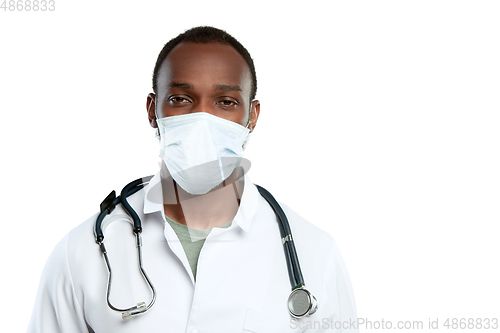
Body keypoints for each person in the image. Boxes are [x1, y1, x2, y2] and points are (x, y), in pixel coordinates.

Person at [28, 26, 359, 332]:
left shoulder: (315, 252)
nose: (203, 119)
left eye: (225, 102)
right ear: (152, 110)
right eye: (180, 100)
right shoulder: (81, 253)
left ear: (252, 116)